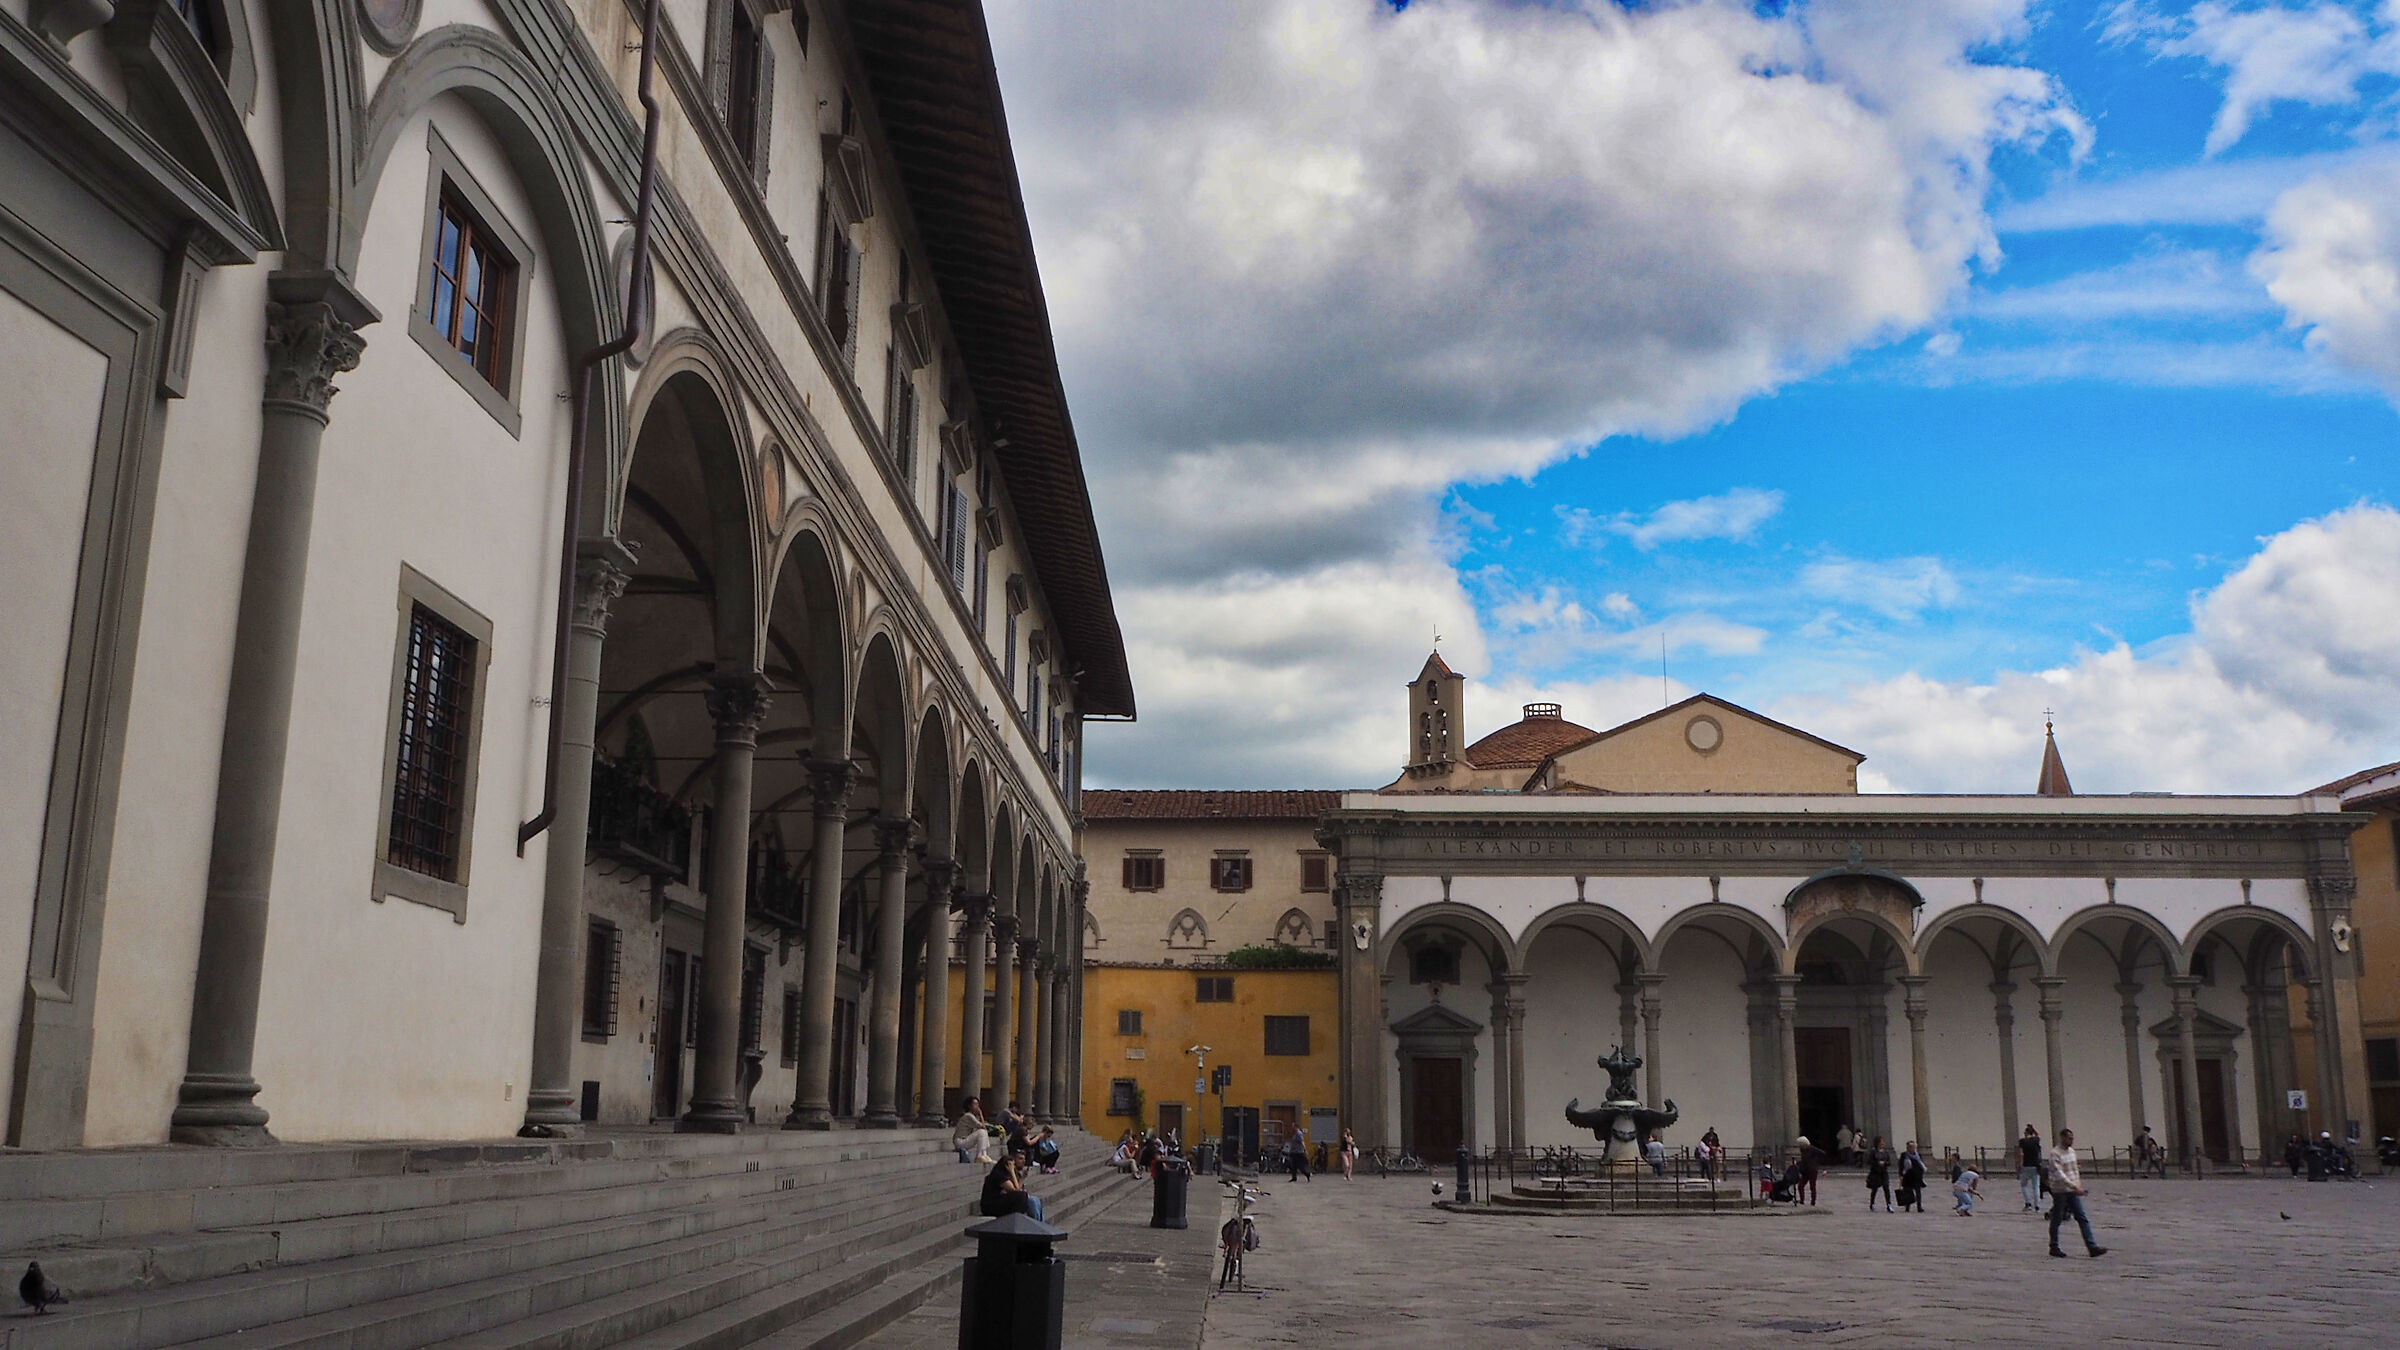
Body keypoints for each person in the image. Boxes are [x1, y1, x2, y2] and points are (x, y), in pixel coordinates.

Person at [2041, 1127, 2108, 1258]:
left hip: (2072, 1190)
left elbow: (2074, 1171)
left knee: (2082, 1218)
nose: (2072, 1140)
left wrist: (2078, 1185)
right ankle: (2054, 1246)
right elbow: (2059, 1174)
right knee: (2057, 1218)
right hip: (2060, 1190)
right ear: (2062, 1138)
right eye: (2069, 1138)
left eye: (2072, 1138)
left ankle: (2092, 1246)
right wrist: (2074, 1186)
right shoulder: (2055, 1153)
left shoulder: (2072, 1152)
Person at [981, 1152, 1045, 1222]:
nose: (1014, 1167)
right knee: (1027, 1199)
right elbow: (1015, 1190)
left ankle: (1040, 1224)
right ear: (1006, 1166)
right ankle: (1034, 1223)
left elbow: (1017, 1189)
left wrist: (1022, 1178)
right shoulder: (998, 1175)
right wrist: (1012, 1172)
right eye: (1012, 1165)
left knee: (1035, 1200)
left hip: (1001, 1202)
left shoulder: (1009, 1175)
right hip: (991, 1206)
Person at [952, 1097, 994, 1164]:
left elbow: (983, 1125)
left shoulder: (973, 1116)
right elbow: (983, 1127)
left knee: (983, 1132)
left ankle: (984, 1154)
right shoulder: (968, 1116)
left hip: (965, 1140)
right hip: (960, 1142)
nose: (977, 1106)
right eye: (975, 1104)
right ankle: (980, 1156)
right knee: (982, 1132)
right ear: (969, 1106)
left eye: (978, 1104)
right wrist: (981, 1114)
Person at [2017, 1124, 2044, 1212]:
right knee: (2036, 1186)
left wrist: (2020, 1164)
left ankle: (2028, 1203)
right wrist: (2033, 1128)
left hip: (2026, 1165)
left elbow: (2021, 1154)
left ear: (2025, 1133)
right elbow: (2038, 1135)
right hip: (2035, 1165)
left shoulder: (2022, 1141)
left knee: (2023, 1185)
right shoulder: (2036, 1140)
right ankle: (2037, 1205)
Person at [1865, 1135, 1893, 1212]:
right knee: (1874, 1189)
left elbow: (1889, 1162)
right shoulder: (1873, 1152)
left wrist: (1885, 1163)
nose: (1883, 1143)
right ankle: (1872, 1203)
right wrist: (1877, 1163)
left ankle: (1889, 1204)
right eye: (1881, 1142)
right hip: (1875, 1172)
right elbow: (1869, 1161)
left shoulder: (1886, 1152)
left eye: (1883, 1142)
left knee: (1886, 1188)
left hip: (1884, 1172)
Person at [1898, 1141, 1927, 1213]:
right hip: (1908, 1176)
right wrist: (1901, 1174)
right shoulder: (1904, 1155)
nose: (1913, 1149)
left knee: (1918, 1192)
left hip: (1916, 1176)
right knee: (1908, 1191)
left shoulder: (1918, 1155)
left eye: (1914, 1147)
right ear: (1907, 1148)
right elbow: (1901, 1165)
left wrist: (1921, 1173)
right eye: (1911, 1147)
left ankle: (1919, 1206)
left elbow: (1920, 1164)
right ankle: (1907, 1206)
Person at [1796, 1136, 1822, 1205]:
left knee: (1812, 1186)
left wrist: (1816, 1162)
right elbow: (1804, 1160)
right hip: (1805, 1171)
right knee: (1800, 1186)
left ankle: (1813, 1201)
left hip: (1812, 1170)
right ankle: (1802, 1200)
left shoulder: (1812, 1149)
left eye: (1800, 1144)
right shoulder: (1803, 1150)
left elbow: (1822, 1154)